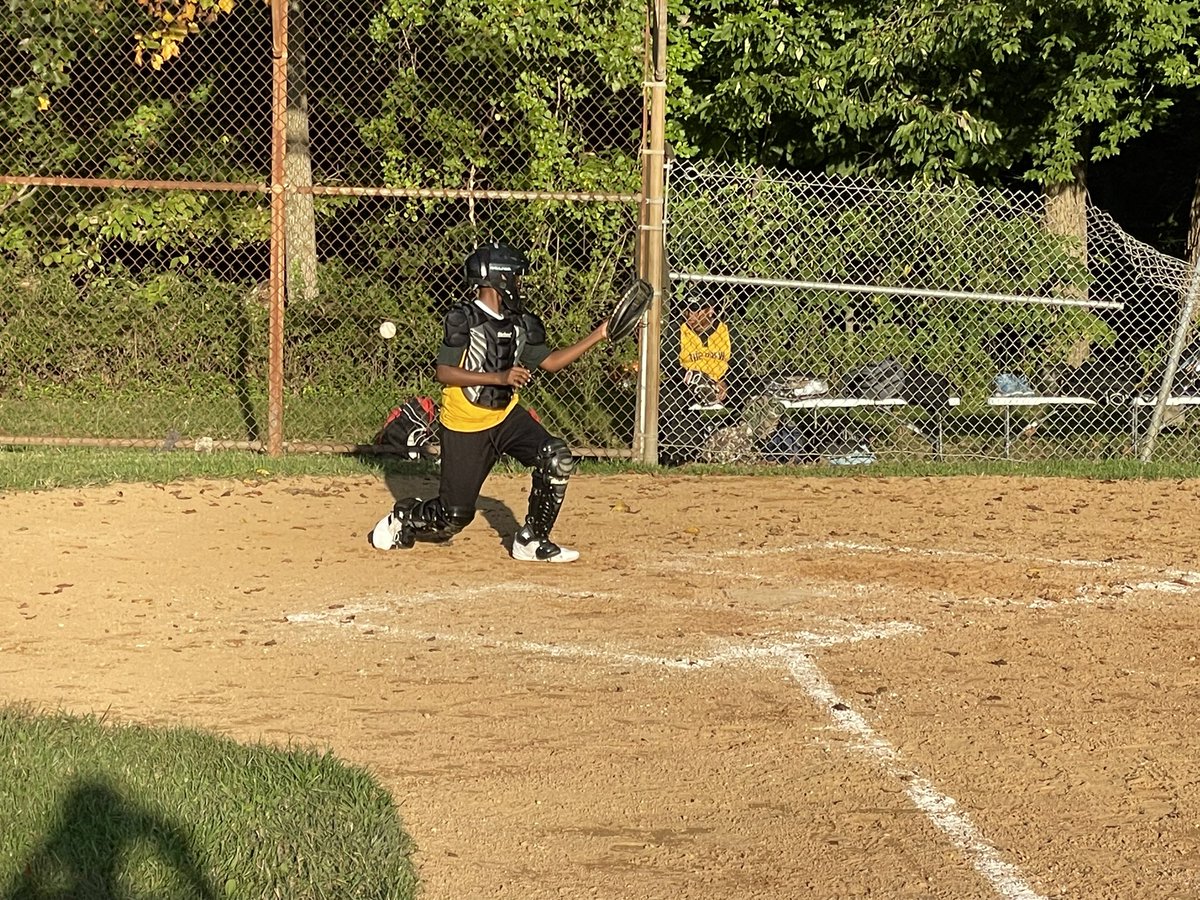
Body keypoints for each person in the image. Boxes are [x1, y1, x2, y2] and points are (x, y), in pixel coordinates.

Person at [369, 242, 608, 563]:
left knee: (555, 457)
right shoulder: (463, 318)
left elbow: (551, 362)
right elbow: (444, 372)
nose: (519, 284)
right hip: (466, 424)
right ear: (501, 278)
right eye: (516, 277)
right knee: (453, 517)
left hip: (506, 417)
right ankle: (404, 518)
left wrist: (599, 334)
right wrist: (500, 377)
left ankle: (532, 540)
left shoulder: (520, 322)